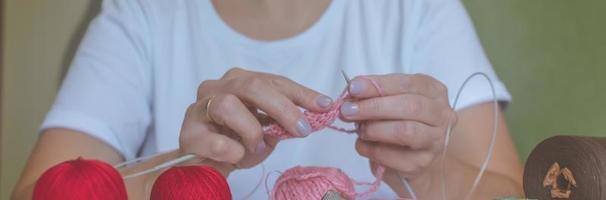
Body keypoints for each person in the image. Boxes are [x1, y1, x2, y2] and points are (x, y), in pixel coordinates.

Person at [12, 0, 523, 199]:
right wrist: (191, 168)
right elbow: (41, 192)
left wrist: (428, 172)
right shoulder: (145, 13)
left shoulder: (416, 9)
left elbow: (511, 191)